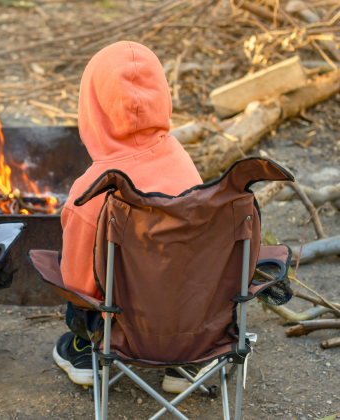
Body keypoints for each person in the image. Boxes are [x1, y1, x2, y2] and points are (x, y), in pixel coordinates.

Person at [53, 41, 206, 393]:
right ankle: (187, 363)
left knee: (78, 271)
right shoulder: (181, 160)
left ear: (92, 107)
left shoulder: (90, 192)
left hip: (123, 330)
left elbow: (78, 287)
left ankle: (83, 352)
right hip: (191, 321)